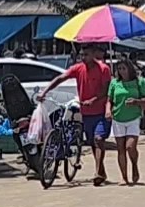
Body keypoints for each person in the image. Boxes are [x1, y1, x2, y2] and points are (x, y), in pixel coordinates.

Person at [40, 43, 114, 185]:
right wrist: (45, 91)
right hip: (86, 113)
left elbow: (105, 90)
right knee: (93, 142)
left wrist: (93, 100)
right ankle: (101, 171)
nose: (84, 58)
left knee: (99, 139)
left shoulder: (104, 69)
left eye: (86, 55)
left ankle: (98, 172)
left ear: (94, 54)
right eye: (82, 55)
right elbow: (61, 78)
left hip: (101, 111)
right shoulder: (78, 68)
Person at [108, 57, 145, 186]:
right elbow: (109, 99)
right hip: (118, 118)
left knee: (130, 146)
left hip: (133, 118)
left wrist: (136, 102)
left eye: (124, 68)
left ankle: (134, 165)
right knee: (120, 149)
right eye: (119, 69)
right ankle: (124, 176)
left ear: (129, 68)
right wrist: (108, 110)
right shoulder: (115, 83)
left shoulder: (139, 82)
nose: (122, 71)